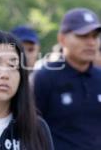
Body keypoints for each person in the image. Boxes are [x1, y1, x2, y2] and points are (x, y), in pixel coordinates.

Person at [32, 8, 101, 150]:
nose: (91, 42)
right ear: (62, 39)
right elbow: (30, 130)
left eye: (95, 36)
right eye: (83, 36)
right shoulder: (44, 78)